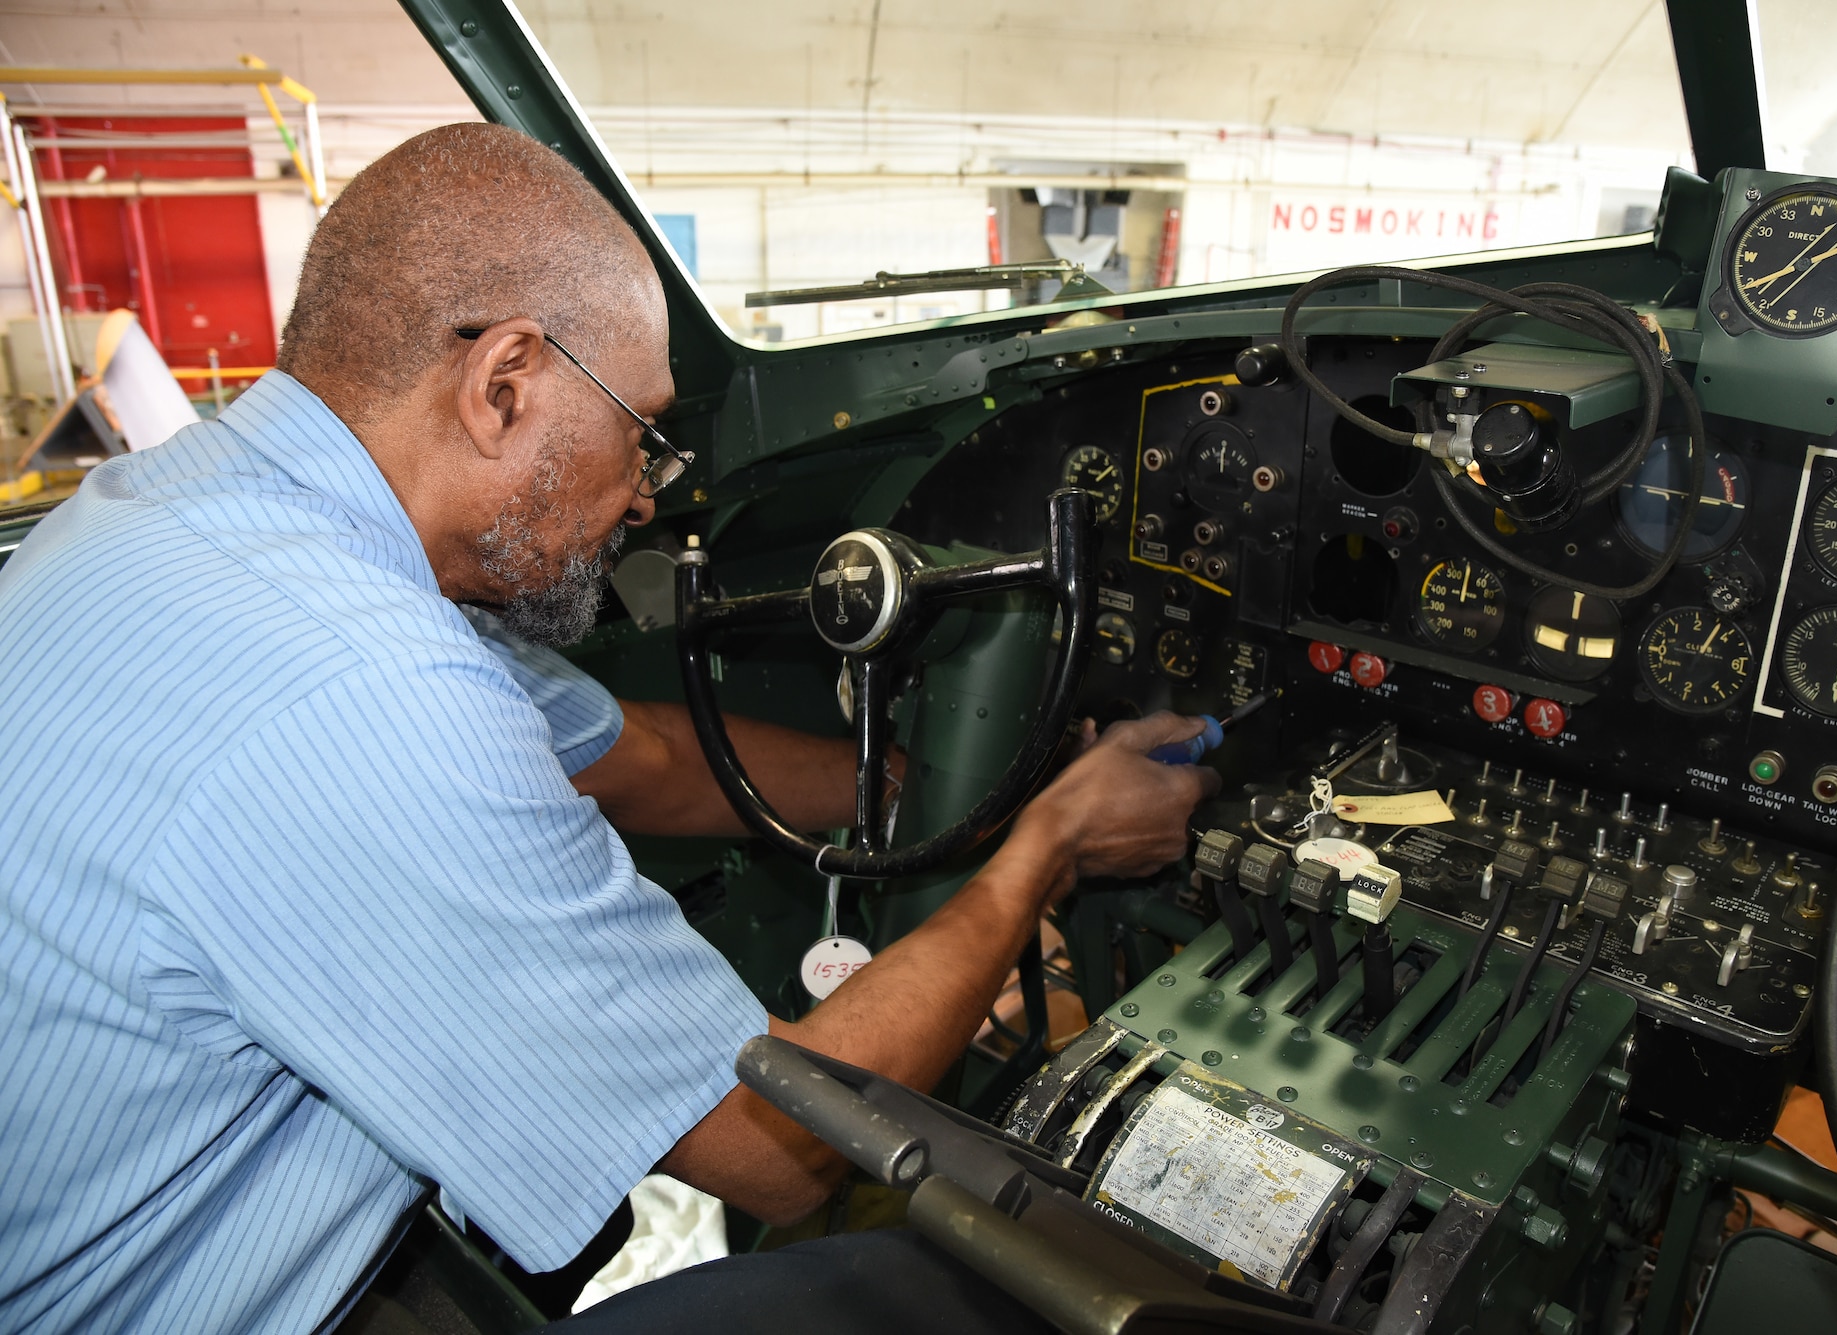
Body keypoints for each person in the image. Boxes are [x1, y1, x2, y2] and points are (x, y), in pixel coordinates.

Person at [0, 122, 1216, 1335]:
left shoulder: (161, 507)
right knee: (962, 1291)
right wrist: (1039, 854)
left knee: (593, 1220)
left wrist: (913, 792)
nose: (647, 489)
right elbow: (779, 1146)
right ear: (504, 384)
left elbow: (637, 759)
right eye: (640, 427)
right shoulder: (379, 695)